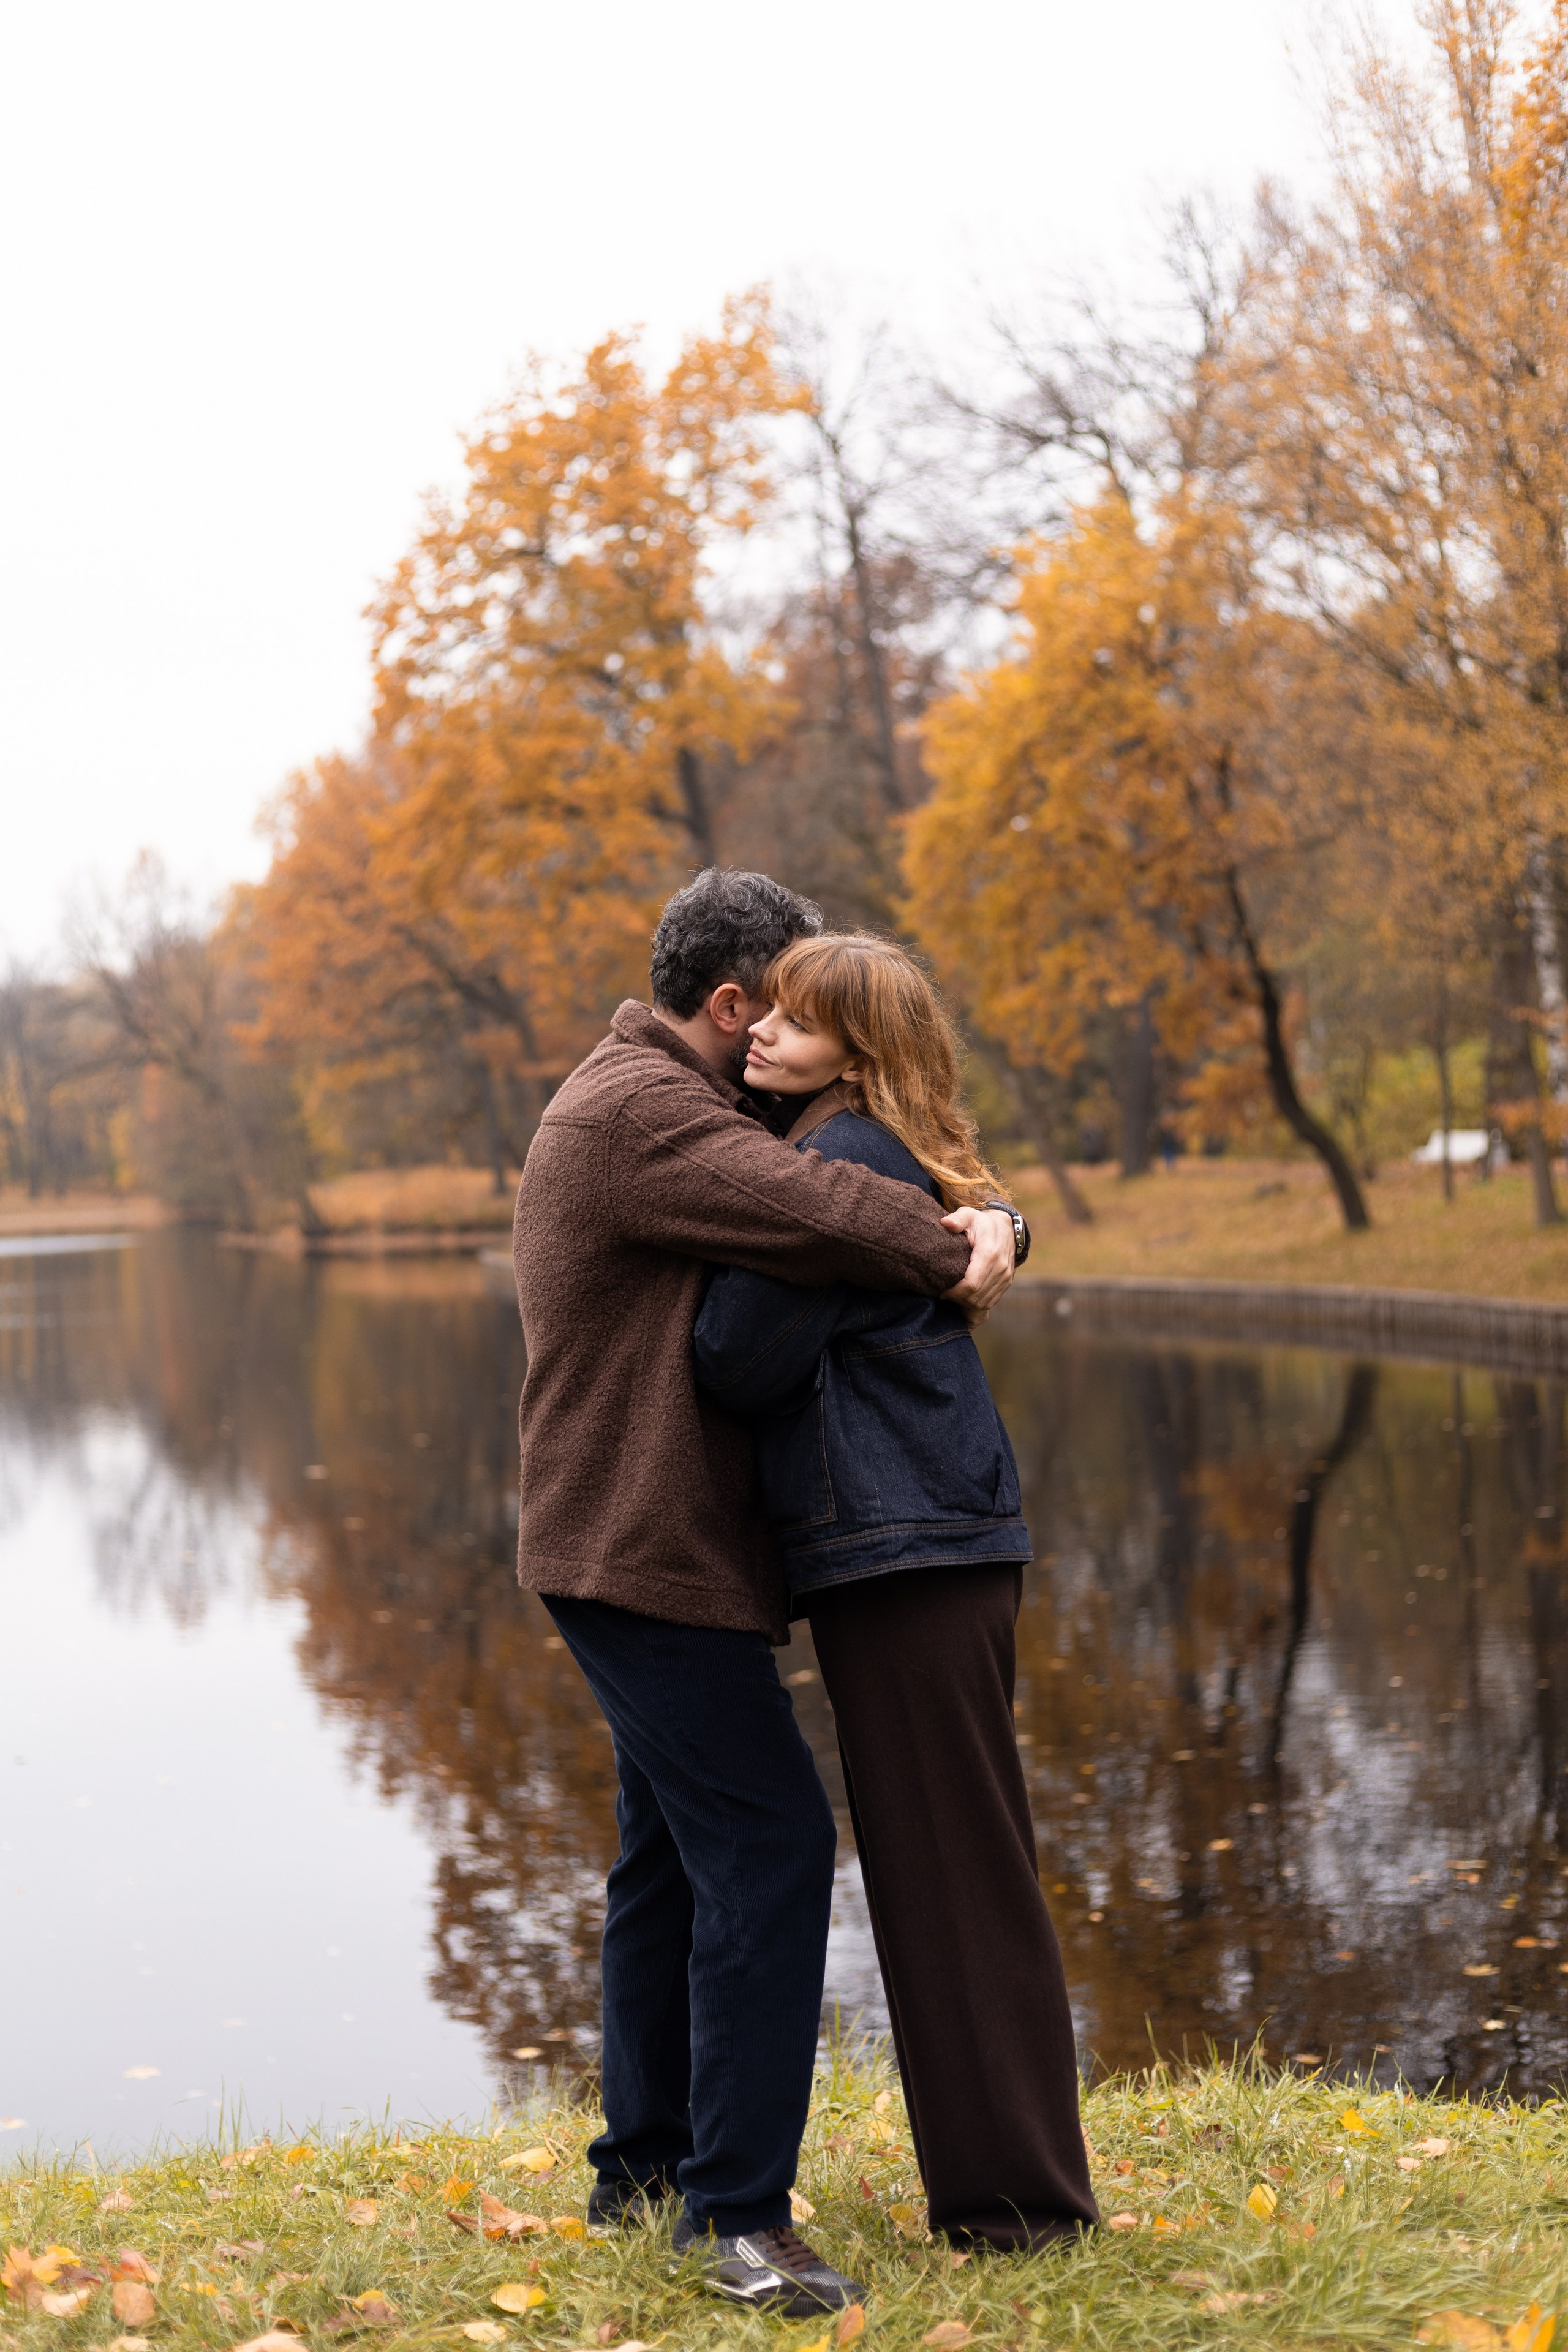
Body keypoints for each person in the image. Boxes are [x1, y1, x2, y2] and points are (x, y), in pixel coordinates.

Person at [510, 870, 1022, 2317]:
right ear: (730, 1005)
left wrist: (1001, 1217)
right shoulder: (638, 1112)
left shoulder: (673, 1104)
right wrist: (968, 1240)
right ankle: (738, 2222)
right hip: (638, 1548)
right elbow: (825, 1198)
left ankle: (645, 2172)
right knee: (773, 1846)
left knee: (669, 1861)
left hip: (639, 1546)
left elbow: (850, 1164)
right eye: (778, 1007)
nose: (780, 1037)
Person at [693, 932, 1099, 2253]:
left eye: (799, 1023)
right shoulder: (867, 1150)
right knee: (961, 1861)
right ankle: (1010, 2194)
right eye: (767, 1013)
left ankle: (1021, 2210)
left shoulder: (840, 1161)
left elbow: (735, 1357)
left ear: (856, 1055)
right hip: (932, 1542)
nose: (761, 1032)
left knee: (947, 1871)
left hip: (907, 1549)